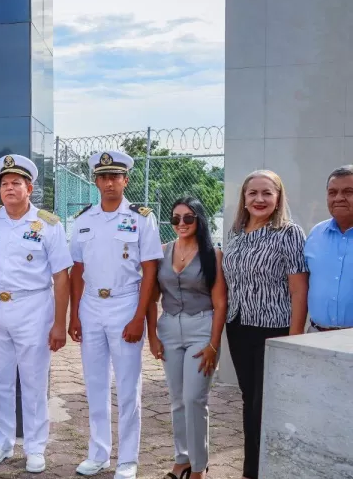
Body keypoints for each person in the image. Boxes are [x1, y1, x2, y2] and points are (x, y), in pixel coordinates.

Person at [0, 155, 71, 474]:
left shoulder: (48, 225)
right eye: (4, 184)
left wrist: (60, 323)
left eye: (16, 183)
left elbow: (61, 276)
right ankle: (3, 441)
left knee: (33, 381)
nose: (9, 188)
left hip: (33, 309)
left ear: (29, 188)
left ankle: (35, 447)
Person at [68, 150, 162, 479]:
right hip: (91, 305)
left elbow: (150, 271)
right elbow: (77, 270)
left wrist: (139, 317)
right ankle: (98, 453)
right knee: (95, 383)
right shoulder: (84, 219)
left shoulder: (141, 218)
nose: (109, 183)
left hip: (126, 303)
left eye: (115, 177)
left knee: (127, 386)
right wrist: (74, 315)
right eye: (103, 177)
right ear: (95, 181)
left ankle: (128, 459)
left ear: (125, 180)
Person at [223, 170, 308, 479]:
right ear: (244, 198)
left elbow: (299, 290)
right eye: (253, 193)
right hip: (238, 326)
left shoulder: (288, 232)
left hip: (273, 330)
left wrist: (294, 340)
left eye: (267, 193)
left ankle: (265, 469)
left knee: (266, 402)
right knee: (250, 399)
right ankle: (253, 468)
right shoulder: (236, 233)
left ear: (278, 197)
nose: (259, 199)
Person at [153, 197, 227, 479]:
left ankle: (198, 467)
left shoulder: (213, 255)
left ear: (199, 220)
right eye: (175, 218)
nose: (181, 223)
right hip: (169, 328)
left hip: (201, 328)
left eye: (188, 218)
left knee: (194, 397)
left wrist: (213, 345)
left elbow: (220, 303)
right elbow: (152, 297)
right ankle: (182, 459)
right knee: (177, 399)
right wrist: (152, 336)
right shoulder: (162, 251)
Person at [304, 165, 353, 332]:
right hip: (315, 335)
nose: (338, 198)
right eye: (332, 192)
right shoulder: (315, 234)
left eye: (348, 192)